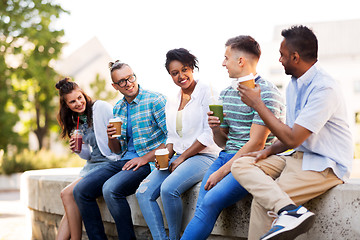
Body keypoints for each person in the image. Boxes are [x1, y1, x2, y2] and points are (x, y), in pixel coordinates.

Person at [231, 25, 353, 240]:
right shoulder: (294, 84)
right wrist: (267, 151)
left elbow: (293, 138)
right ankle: (290, 211)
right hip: (297, 157)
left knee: (263, 201)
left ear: (295, 57)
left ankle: (288, 211)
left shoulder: (325, 88)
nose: (279, 60)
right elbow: (289, 135)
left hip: (325, 165)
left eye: (282, 55)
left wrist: (258, 104)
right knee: (240, 163)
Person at [181, 36, 285, 240]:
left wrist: (219, 173)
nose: (222, 63)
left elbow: (257, 143)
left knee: (210, 202)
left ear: (241, 61)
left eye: (226, 57)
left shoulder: (267, 93)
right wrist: (216, 129)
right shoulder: (227, 93)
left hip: (250, 163)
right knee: (202, 207)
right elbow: (223, 142)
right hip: (224, 157)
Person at [73, 61, 167, 240]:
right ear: (115, 86)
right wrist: (111, 137)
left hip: (148, 162)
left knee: (110, 189)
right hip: (124, 160)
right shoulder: (118, 108)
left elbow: (172, 139)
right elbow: (117, 150)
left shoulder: (155, 100)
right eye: (122, 81)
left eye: (130, 77)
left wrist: (144, 159)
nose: (129, 83)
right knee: (81, 190)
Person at [135, 48, 221, 240]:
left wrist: (181, 158)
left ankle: (174, 237)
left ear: (192, 68)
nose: (181, 76)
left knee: (168, 189)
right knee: (142, 193)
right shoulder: (172, 100)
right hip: (179, 157)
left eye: (184, 69)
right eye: (175, 73)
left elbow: (209, 134)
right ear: (170, 75)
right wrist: (165, 156)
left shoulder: (206, 90)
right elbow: (172, 137)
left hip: (205, 156)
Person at [55, 78, 119, 240]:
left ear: (84, 94)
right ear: (66, 105)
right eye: (72, 102)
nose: (78, 103)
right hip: (92, 164)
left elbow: (117, 137)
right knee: (69, 200)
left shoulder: (100, 108)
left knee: (67, 194)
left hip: (108, 161)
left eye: (79, 98)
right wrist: (77, 150)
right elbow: (88, 155)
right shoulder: (76, 120)